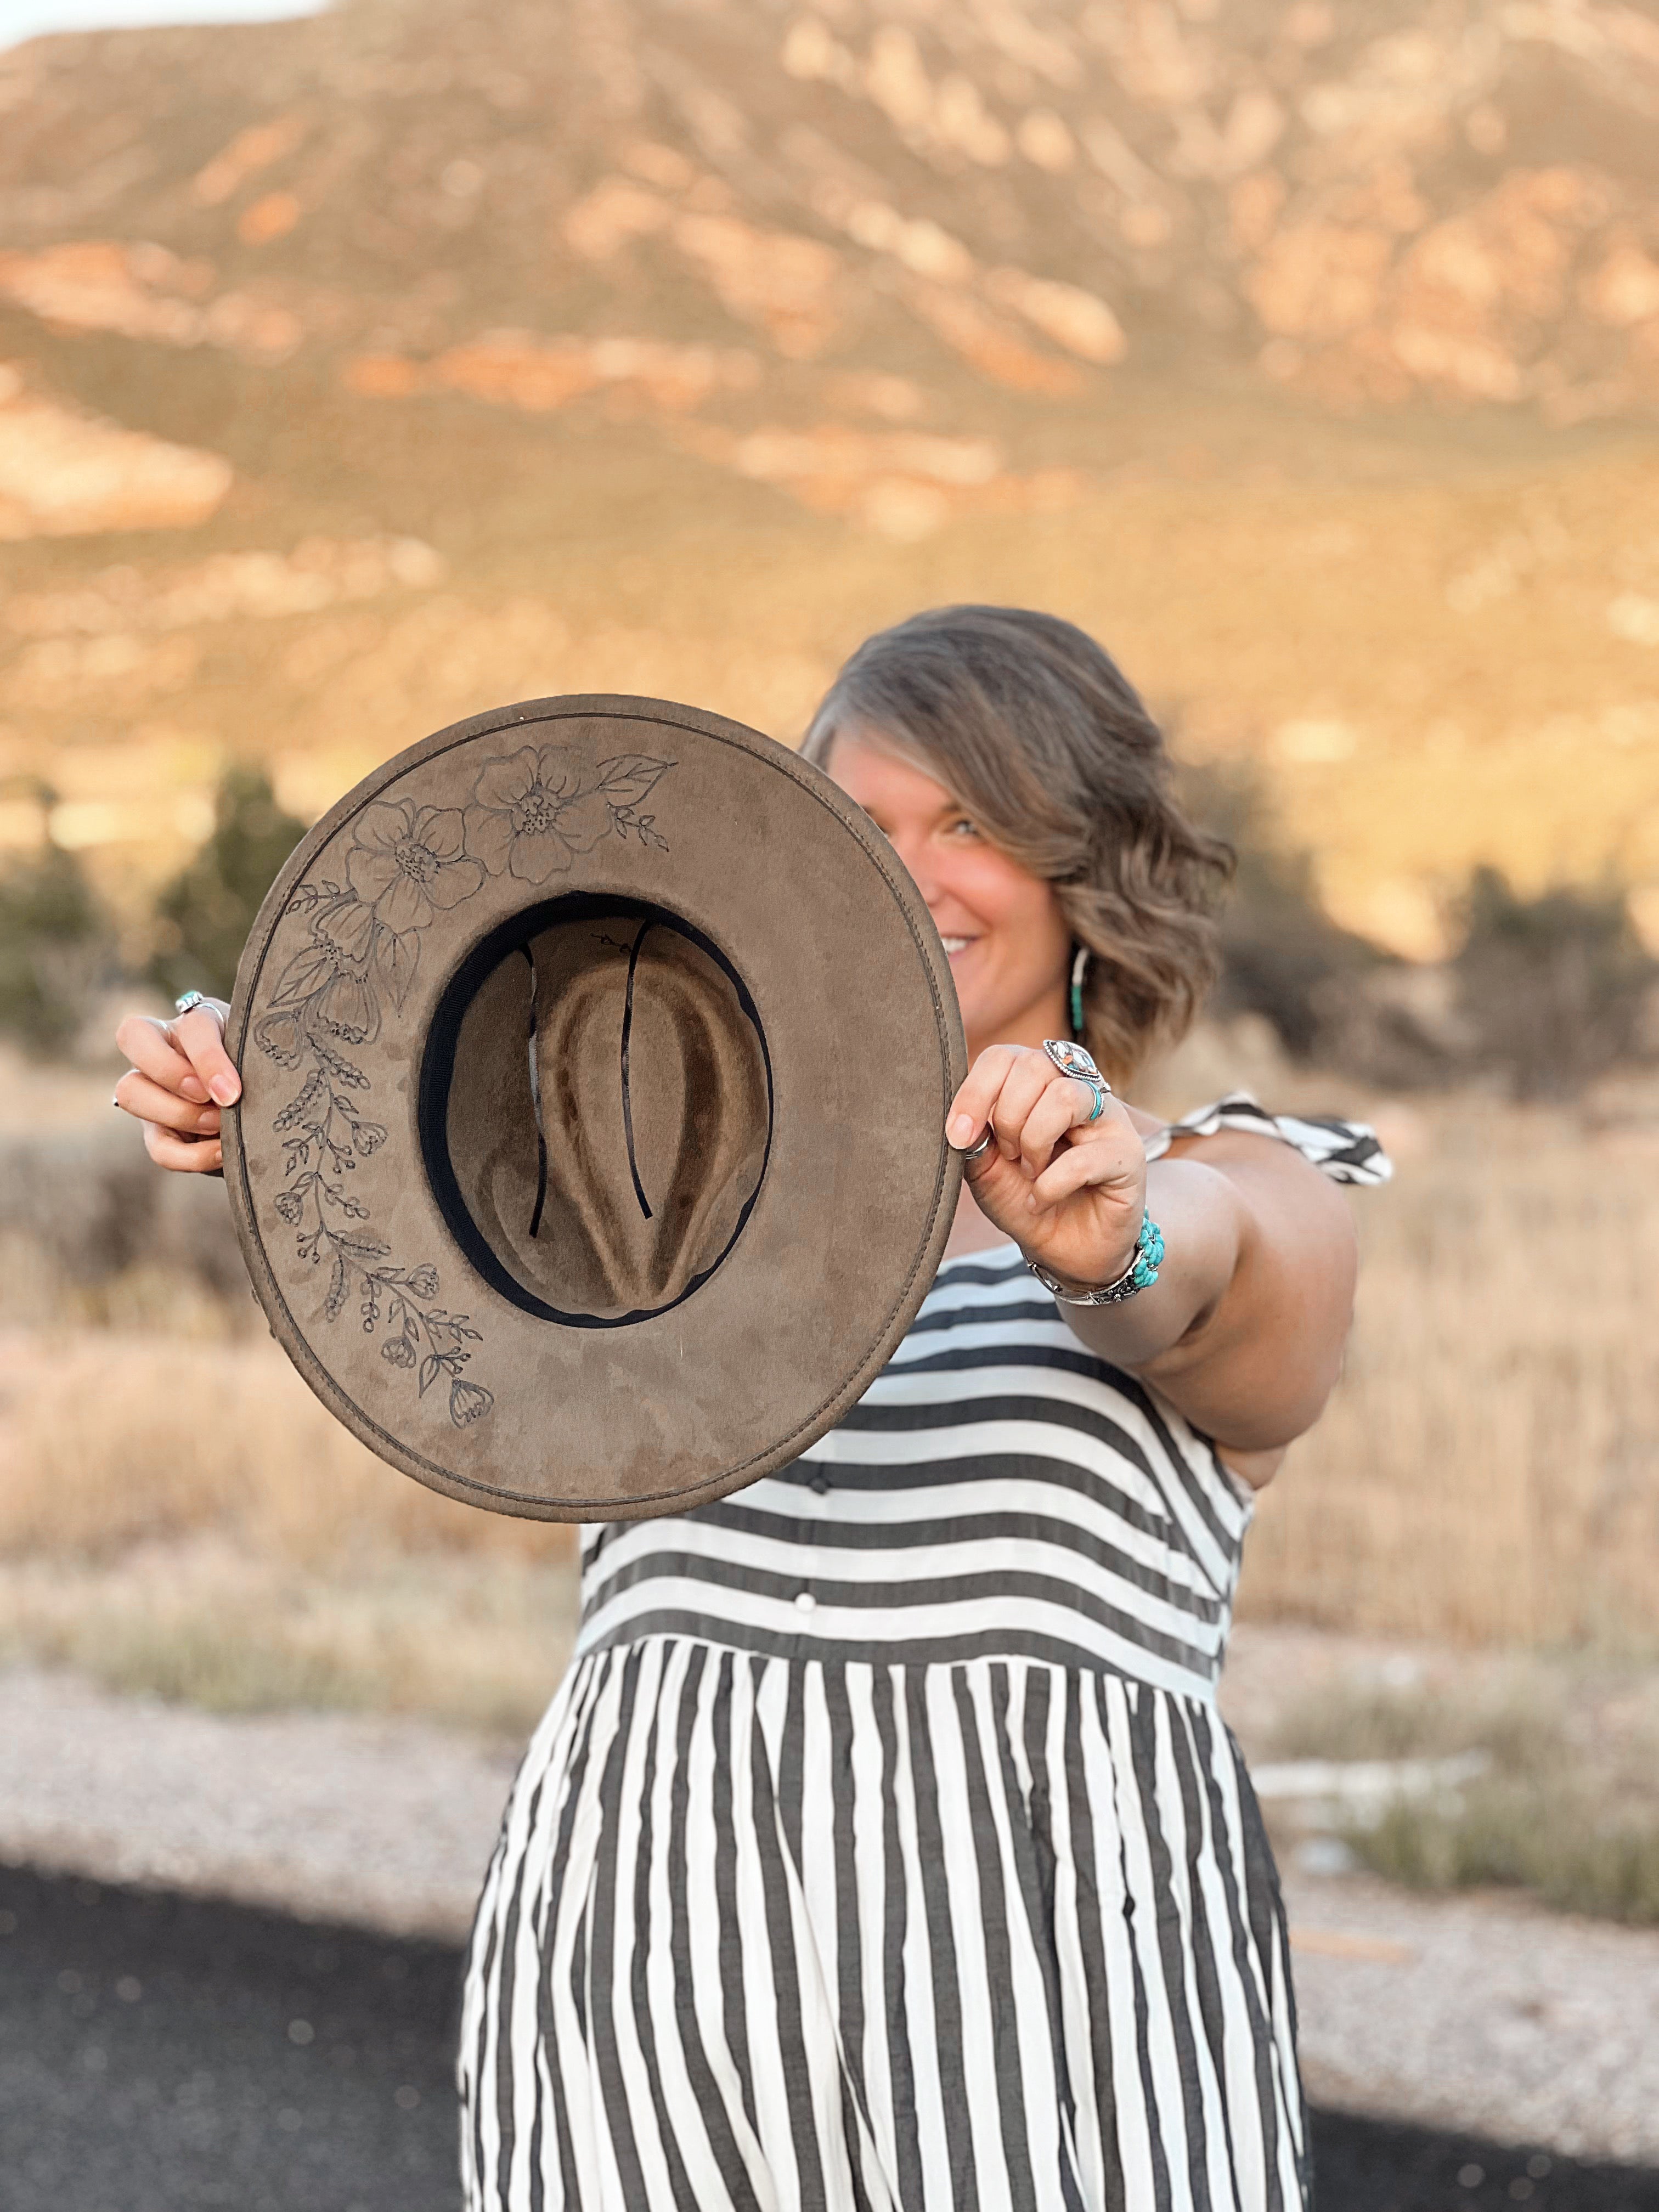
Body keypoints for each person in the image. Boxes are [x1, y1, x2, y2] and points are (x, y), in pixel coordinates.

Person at [116, 605, 1386, 2211]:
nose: (914, 875)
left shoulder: (1232, 1188)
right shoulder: (632, 1219)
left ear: (1085, 869)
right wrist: (288, 1084)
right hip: (640, 1992)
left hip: (1046, 2026)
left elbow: (1211, 1292)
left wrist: (1103, 1237)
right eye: (857, 826)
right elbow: (412, 1129)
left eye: (972, 824)